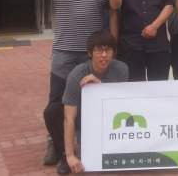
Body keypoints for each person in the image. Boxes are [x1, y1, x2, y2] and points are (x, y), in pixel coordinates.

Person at [31, 0, 115, 167]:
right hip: (64, 52)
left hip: (92, 54)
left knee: (91, 99)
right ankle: (55, 144)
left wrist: (111, 46)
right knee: (57, 103)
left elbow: (112, 13)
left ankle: (86, 142)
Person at [45, 31, 128, 175]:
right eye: (99, 50)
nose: (104, 55)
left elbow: (120, 104)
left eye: (108, 50)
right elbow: (69, 117)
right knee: (52, 111)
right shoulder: (76, 75)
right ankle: (65, 155)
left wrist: (100, 85)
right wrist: (70, 155)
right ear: (90, 53)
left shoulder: (121, 69)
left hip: (109, 118)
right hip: (83, 117)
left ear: (113, 52)